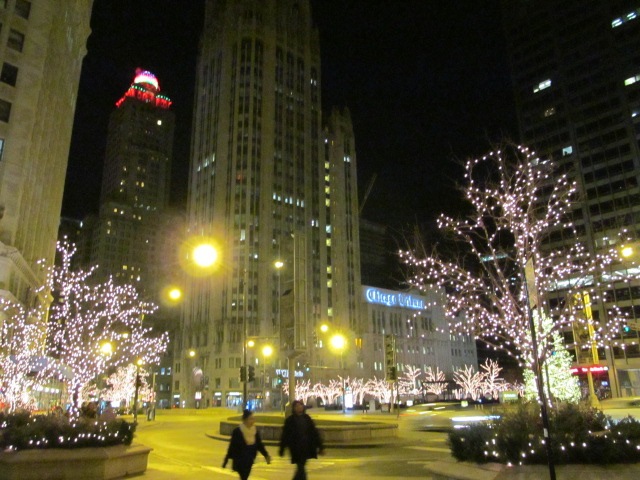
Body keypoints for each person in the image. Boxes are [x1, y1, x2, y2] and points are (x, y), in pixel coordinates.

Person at [279, 400, 324, 480]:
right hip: (296, 449)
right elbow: (285, 435)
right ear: (294, 408)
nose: (299, 407)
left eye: (300, 405)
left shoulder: (307, 418)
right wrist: (282, 449)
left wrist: (320, 447)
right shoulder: (290, 420)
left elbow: (314, 433)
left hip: (306, 447)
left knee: (300, 468)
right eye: (296, 406)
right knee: (301, 468)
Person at [222, 409, 271, 480]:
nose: (252, 421)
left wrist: (266, 455)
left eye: (253, 419)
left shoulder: (254, 431)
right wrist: (225, 461)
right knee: (244, 477)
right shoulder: (237, 431)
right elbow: (231, 447)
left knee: (244, 477)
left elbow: (259, 444)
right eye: (250, 419)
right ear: (245, 420)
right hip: (240, 461)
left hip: (249, 460)